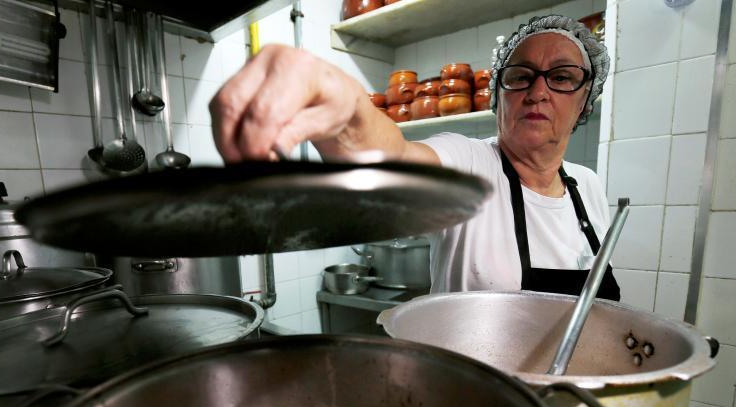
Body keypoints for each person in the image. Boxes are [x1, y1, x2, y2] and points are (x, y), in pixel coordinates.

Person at [210, 15, 620, 300]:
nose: (538, 91)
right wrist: (349, 114)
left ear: (586, 100)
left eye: (562, 77)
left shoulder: (589, 185)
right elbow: (393, 158)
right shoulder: (470, 165)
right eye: (520, 76)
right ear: (498, 98)